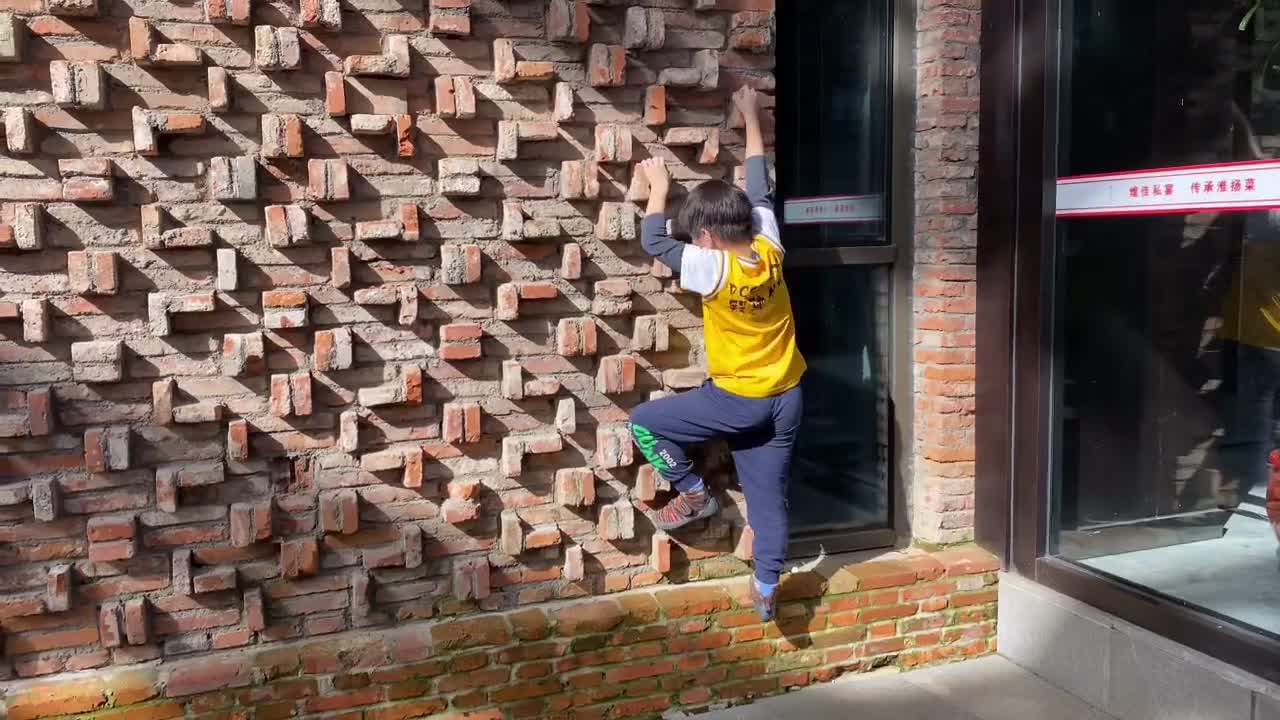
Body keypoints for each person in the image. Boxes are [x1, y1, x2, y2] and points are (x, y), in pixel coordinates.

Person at [629, 86, 807, 622]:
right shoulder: (769, 247)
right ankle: (768, 586)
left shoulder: (712, 267)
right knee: (768, 497)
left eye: (697, 238)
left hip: (738, 399)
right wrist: (751, 115)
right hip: (787, 395)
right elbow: (760, 188)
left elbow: (654, 242)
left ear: (705, 235)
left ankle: (692, 492)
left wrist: (658, 187)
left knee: (644, 424)